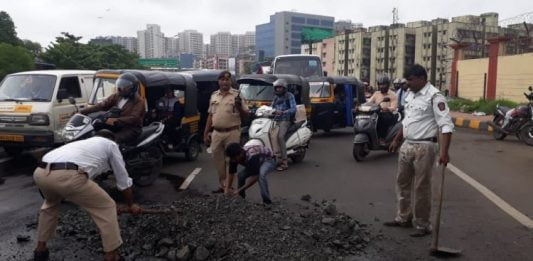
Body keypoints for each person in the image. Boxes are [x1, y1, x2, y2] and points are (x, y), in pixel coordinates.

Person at [32, 130, 142, 261]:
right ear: (113, 140)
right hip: (67, 175)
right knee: (107, 206)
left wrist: (98, 199)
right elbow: (123, 180)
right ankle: (112, 256)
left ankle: (40, 250)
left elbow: (87, 182)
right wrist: (131, 204)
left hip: (40, 173)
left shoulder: (84, 144)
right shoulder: (111, 145)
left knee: (50, 206)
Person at [386, 64, 454, 237]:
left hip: (425, 146)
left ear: (422, 79)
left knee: (421, 187)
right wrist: (397, 139)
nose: (407, 84)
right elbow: (408, 120)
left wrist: (444, 153)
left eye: (410, 80)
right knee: (402, 183)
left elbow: (446, 126)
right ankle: (403, 218)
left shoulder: (435, 97)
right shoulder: (410, 95)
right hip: (407, 144)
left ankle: (423, 224)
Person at [203, 71, 249, 194]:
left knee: (231, 160)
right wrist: (206, 132)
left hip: (232, 132)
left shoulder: (238, 95)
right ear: (218, 81)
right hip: (217, 133)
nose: (225, 82)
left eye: (227, 80)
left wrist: (239, 106)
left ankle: (229, 187)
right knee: (218, 161)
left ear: (231, 82)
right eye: (222, 79)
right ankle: (223, 185)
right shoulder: (214, 95)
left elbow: (246, 115)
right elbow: (210, 115)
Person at [81, 72, 145, 144]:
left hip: (131, 129)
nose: (121, 88)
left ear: (133, 87)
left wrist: (117, 120)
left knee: (111, 141)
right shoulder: (117, 96)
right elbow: (102, 105)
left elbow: (134, 117)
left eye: (124, 86)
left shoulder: (139, 101)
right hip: (118, 126)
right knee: (97, 133)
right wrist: (83, 111)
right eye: (120, 85)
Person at [270, 79, 297, 171]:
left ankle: (284, 161)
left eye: (280, 87)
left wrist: (283, 112)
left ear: (284, 88)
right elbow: (272, 107)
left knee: (280, 137)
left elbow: (294, 109)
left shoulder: (289, 96)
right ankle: (274, 157)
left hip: (285, 120)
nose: (278, 89)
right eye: (277, 87)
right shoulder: (275, 97)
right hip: (275, 120)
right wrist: (271, 111)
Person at [368, 75, 398, 143]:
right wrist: (361, 105)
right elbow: (369, 102)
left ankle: (382, 137)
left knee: (381, 119)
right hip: (377, 113)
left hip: (389, 114)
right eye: (380, 84)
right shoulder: (376, 93)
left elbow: (394, 107)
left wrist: (387, 108)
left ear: (388, 84)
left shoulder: (393, 94)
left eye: (384, 84)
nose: (382, 86)